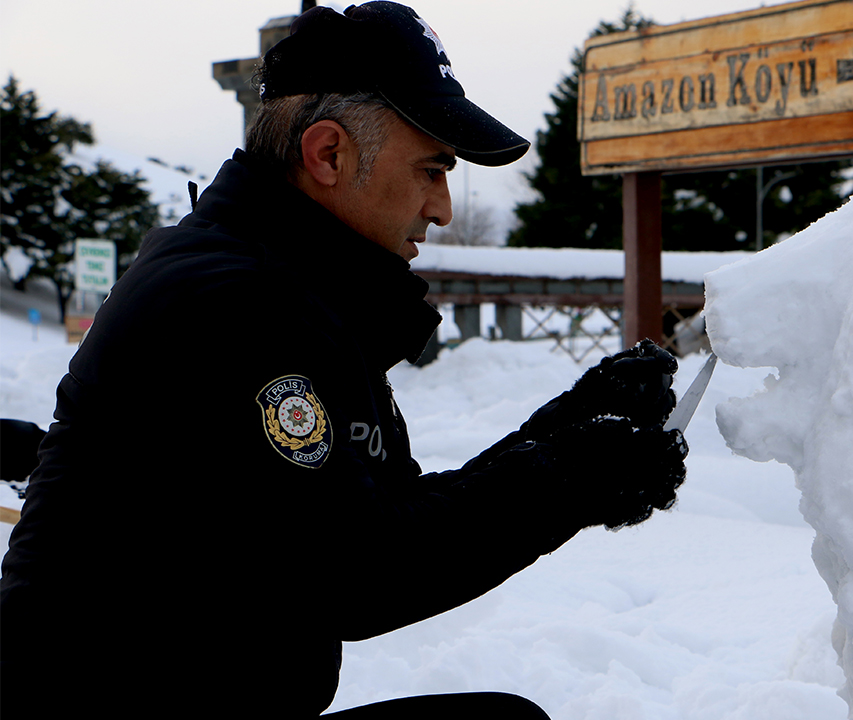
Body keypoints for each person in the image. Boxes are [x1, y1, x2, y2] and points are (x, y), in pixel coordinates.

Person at [0, 3, 688, 717]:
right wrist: (569, 478)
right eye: (431, 169)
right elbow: (359, 572)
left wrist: (563, 429)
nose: (444, 207)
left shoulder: (297, 292)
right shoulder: (233, 303)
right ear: (329, 154)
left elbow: (384, 514)